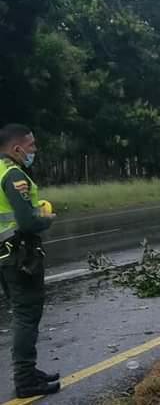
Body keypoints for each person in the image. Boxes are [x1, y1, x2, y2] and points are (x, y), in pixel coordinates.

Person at [0, 124, 60, 398]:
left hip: (6, 255)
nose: (34, 150)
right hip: (19, 256)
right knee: (27, 316)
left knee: (22, 314)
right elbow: (26, 221)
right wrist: (45, 219)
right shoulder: (13, 176)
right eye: (31, 146)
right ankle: (25, 380)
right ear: (17, 148)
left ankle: (29, 370)